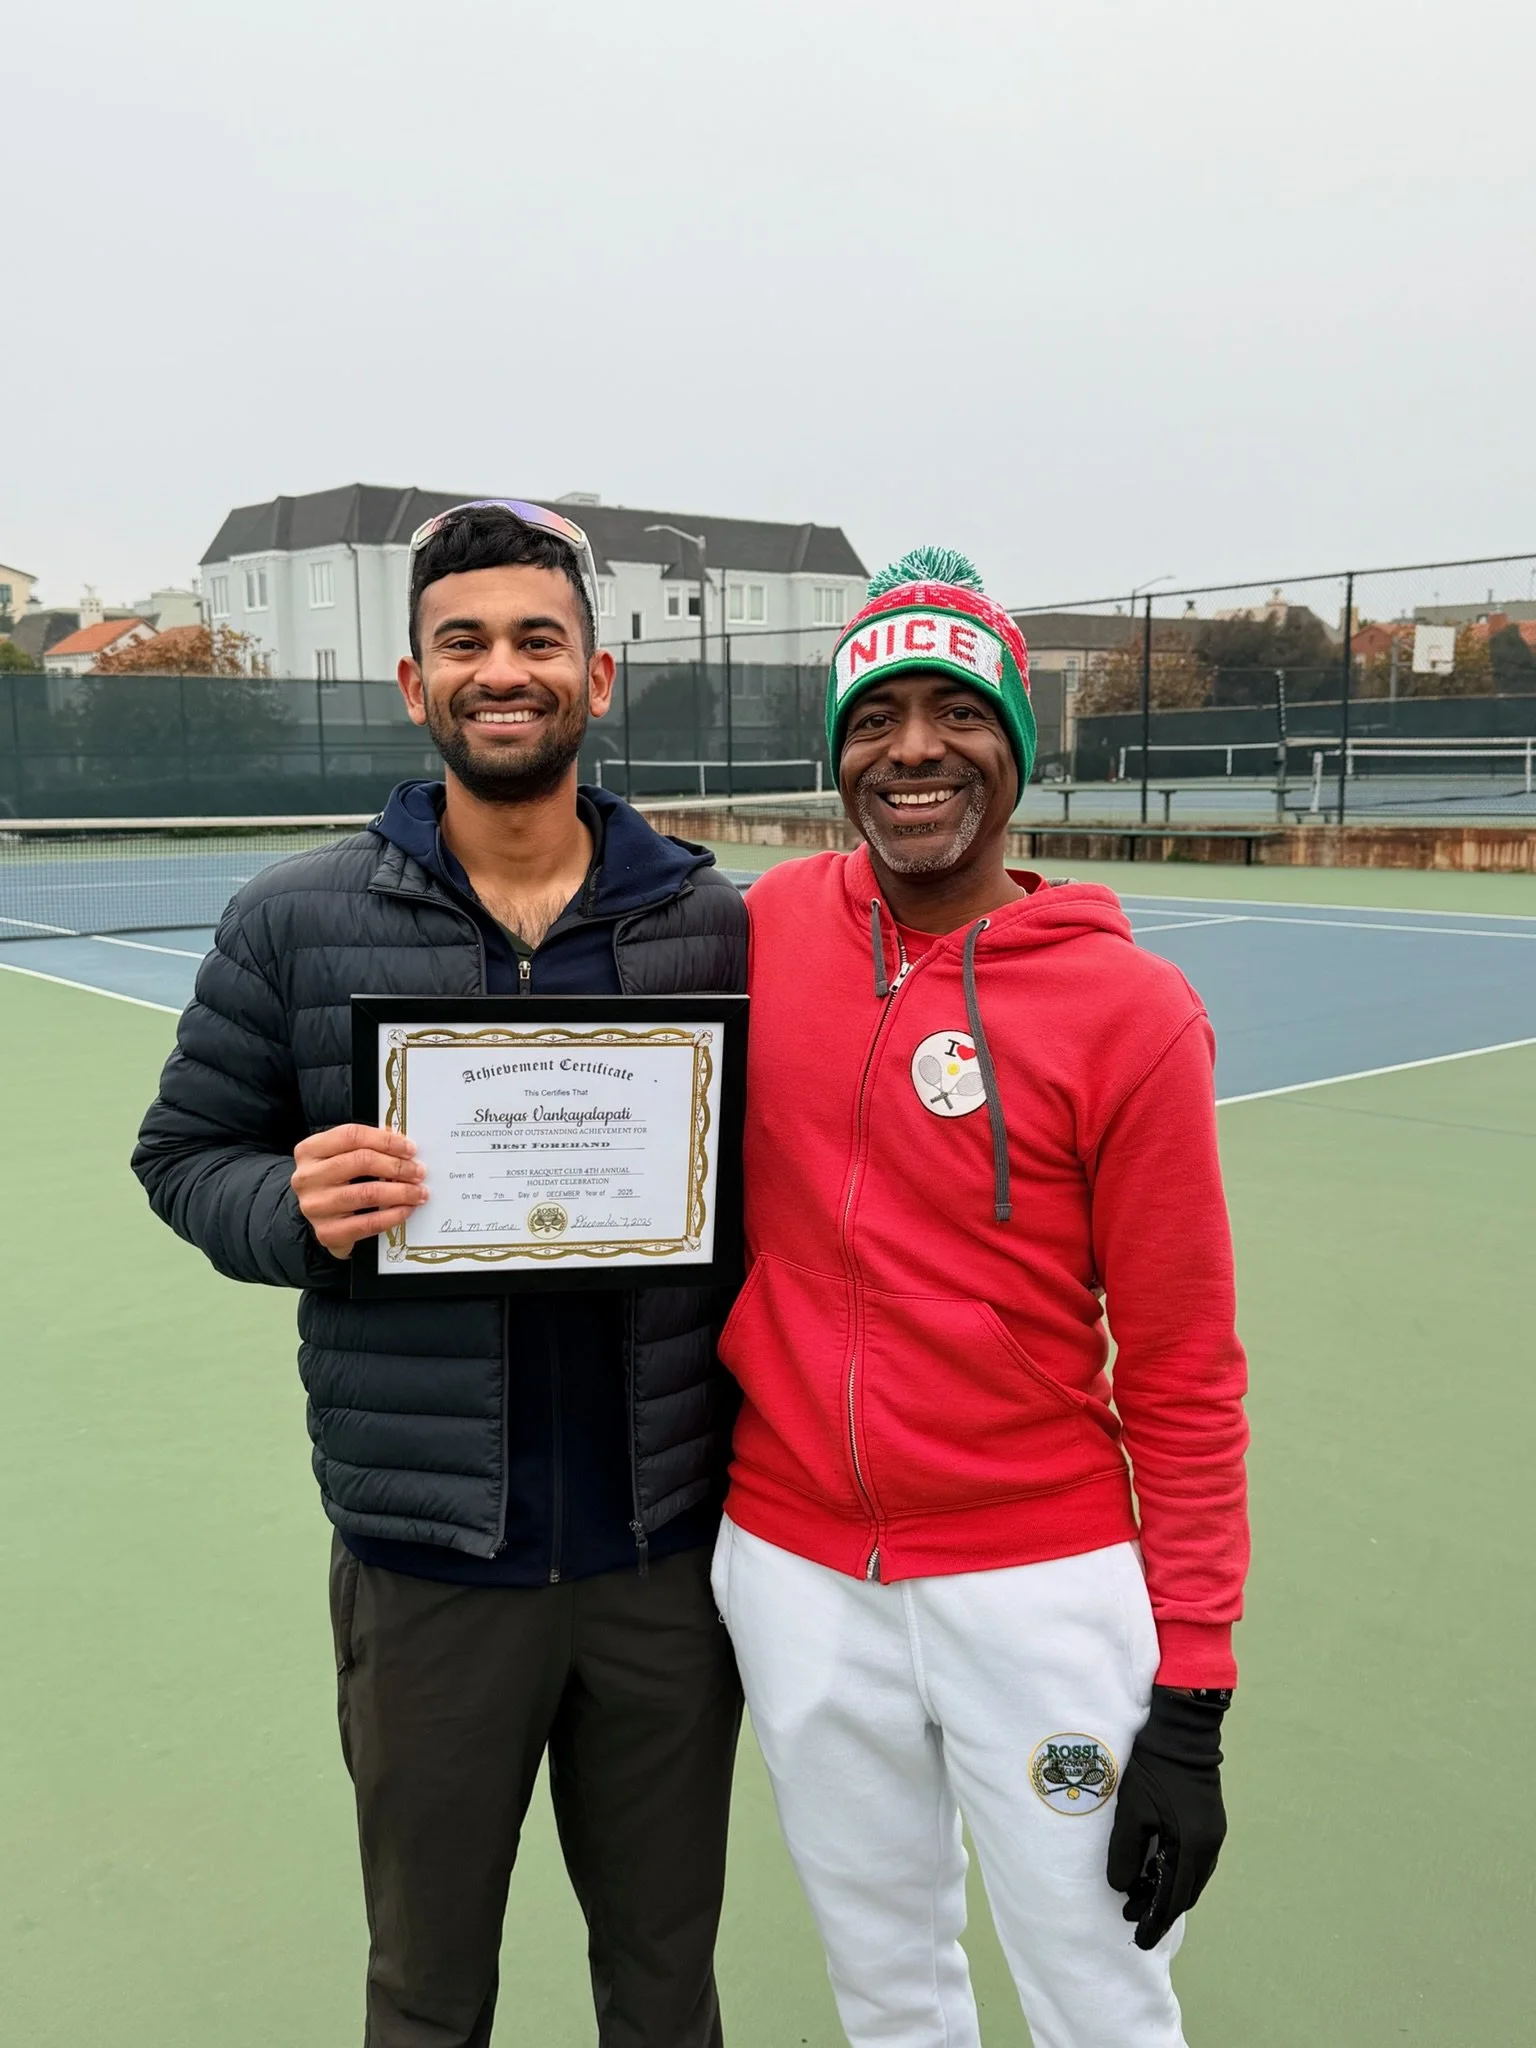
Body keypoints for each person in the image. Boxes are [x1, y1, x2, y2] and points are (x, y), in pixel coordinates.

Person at [132, 501, 746, 2048]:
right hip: (428, 1570)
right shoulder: (291, 920)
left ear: (597, 676)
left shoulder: (709, 922)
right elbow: (185, 1154)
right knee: (425, 1993)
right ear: (415, 683)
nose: (503, 670)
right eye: (463, 643)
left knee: (666, 1988)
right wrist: (291, 1205)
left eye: (539, 639)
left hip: (665, 1565)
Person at [711, 547, 1250, 2048]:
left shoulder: (1132, 1013)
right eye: (876, 718)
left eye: (957, 712)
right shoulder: (761, 930)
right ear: (838, 755)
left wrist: (1194, 1695)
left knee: (1101, 1998)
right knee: (886, 1990)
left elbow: (1185, 1369)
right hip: (795, 1570)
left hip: (1039, 1585)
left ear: (1017, 743)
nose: (914, 751)